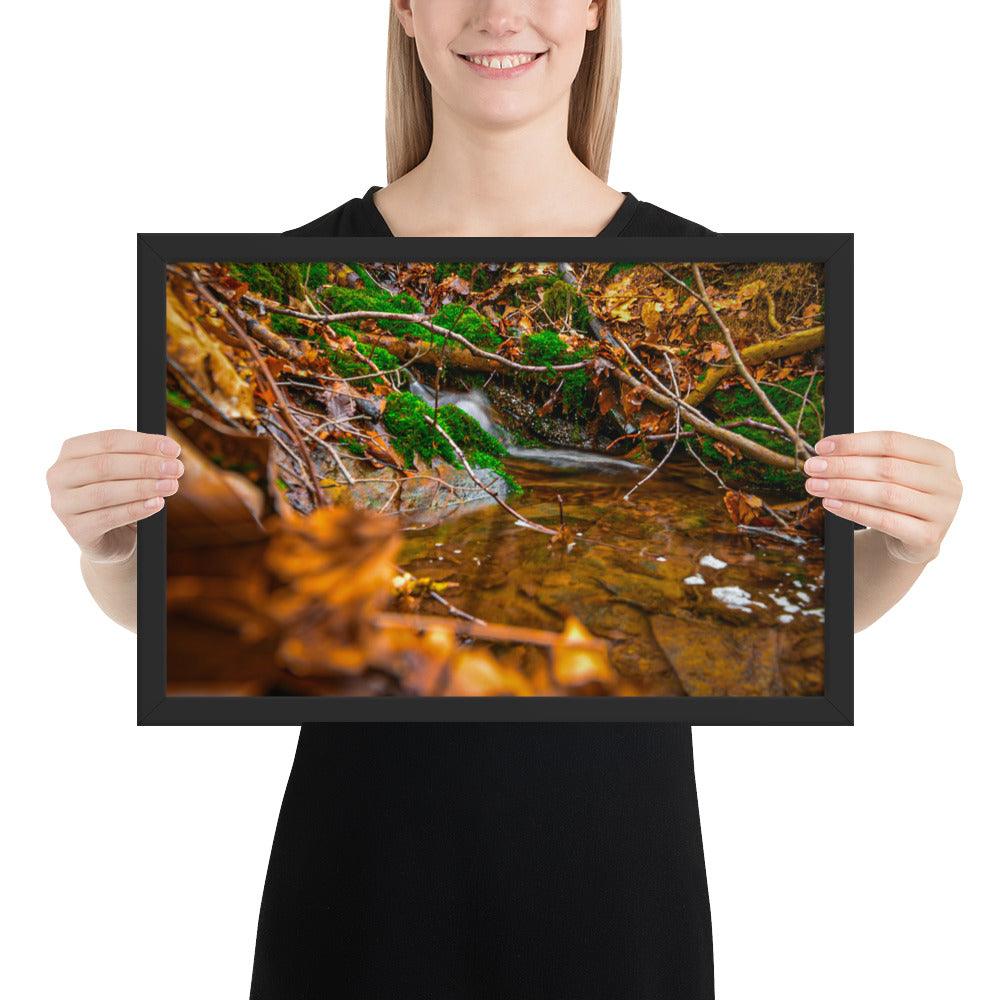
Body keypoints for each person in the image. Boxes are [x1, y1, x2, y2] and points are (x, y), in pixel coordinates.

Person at [45, 2, 963, 997]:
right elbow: (195, 616)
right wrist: (109, 548)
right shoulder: (282, 268)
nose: (499, 11)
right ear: (402, 9)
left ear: (594, 10)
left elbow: (799, 625)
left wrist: (903, 544)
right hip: (363, 887)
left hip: (617, 893)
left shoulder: (712, 264)